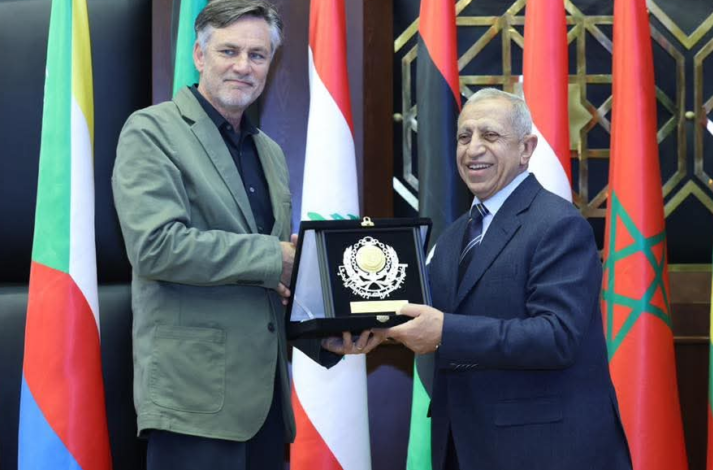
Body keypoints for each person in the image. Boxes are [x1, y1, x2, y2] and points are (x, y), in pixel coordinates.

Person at [111, 1, 365, 468]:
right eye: (229, 51)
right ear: (199, 55)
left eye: (258, 55)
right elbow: (156, 247)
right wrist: (276, 257)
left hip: (266, 407)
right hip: (194, 402)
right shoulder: (152, 131)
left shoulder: (269, 152)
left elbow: (270, 284)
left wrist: (321, 335)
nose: (243, 66)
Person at [380, 88, 632, 470]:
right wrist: (365, 329)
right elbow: (414, 308)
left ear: (526, 149)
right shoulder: (453, 237)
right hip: (464, 447)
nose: (473, 149)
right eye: (464, 136)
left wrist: (445, 331)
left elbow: (556, 336)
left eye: (490, 135)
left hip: (543, 452)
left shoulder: (558, 225)